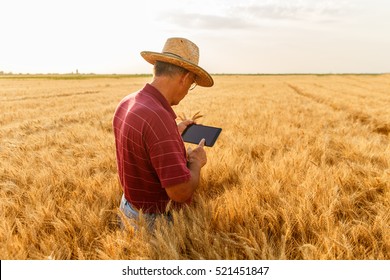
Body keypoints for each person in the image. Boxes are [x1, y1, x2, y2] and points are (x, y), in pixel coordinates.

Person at [113, 37, 214, 229]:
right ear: (184, 78)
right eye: (192, 83)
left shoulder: (128, 102)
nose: (187, 91)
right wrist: (196, 162)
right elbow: (180, 192)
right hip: (153, 223)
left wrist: (172, 132)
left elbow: (142, 146)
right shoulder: (158, 118)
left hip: (128, 207)